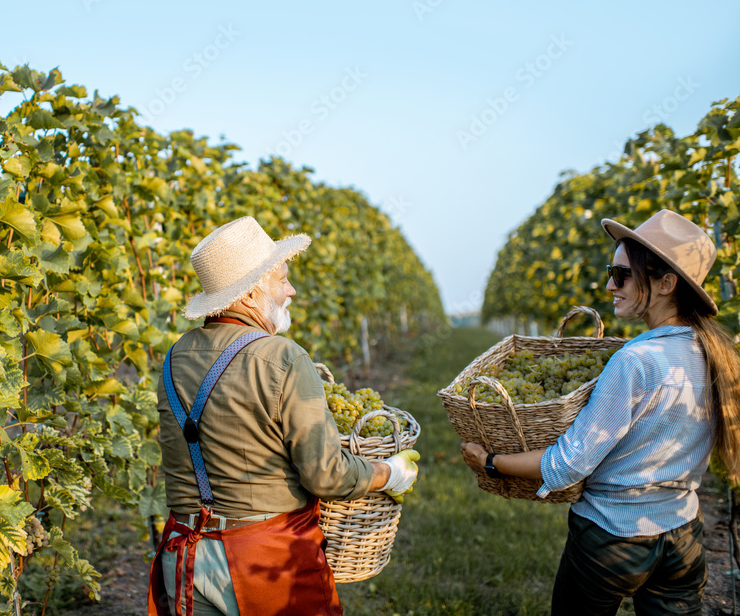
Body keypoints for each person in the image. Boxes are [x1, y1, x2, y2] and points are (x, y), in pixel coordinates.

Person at [462, 209, 740, 615]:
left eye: (623, 274)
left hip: (612, 538)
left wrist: (490, 461)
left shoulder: (636, 360)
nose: (610, 284)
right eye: (613, 271)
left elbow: (568, 464)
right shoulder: (716, 355)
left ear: (666, 283)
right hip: (683, 536)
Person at [147, 216, 418, 616]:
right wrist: (389, 472)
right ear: (252, 294)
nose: (290, 290)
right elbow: (327, 475)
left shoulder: (174, 357)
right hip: (264, 564)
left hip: (183, 558)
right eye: (282, 280)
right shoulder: (282, 357)